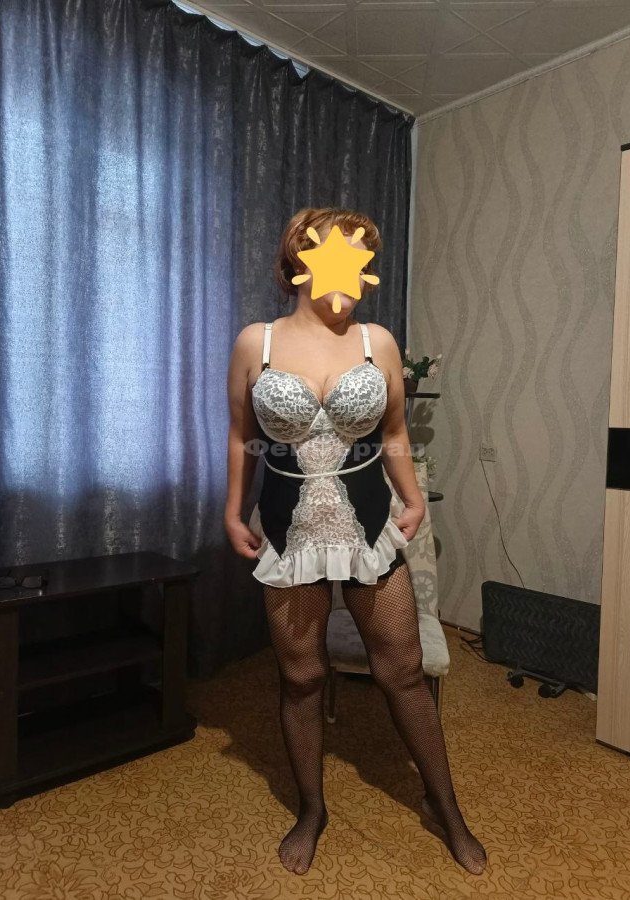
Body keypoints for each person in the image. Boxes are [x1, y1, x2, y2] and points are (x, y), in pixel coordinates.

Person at [224, 207, 487, 877]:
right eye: (344, 251)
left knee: (402, 672)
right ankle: (311, 810)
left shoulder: (378, 342)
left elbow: (393, 431)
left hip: (368, 525)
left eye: (364, 256)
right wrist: (233, 511)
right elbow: (240, 435)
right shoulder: (256, 342)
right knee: (301, 678)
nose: (356, 268)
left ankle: (445, 808)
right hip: (289, 530)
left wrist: (411, 497)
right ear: (301, 257)